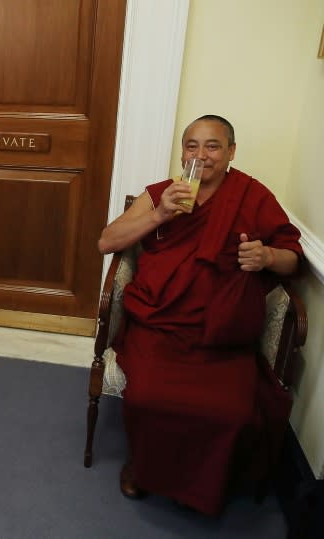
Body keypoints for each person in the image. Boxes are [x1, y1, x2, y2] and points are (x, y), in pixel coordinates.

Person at [98, 115, 303, 515]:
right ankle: (143, 468)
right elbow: (107, 241)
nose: (201, 155)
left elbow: (291, 259)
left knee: (232, 408)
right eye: (192, 146)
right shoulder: (162, 194)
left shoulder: (253, 195)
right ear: (182, 153)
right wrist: (158, 215)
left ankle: (204, 485)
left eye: (212, 146)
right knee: (146, 394)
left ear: (230, 152)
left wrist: (265, 256)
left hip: (223, 331)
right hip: (159, 323)